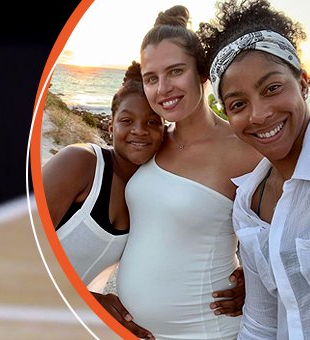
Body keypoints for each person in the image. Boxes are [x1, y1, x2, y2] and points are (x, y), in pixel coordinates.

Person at [114, 5, 263, 339]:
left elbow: (285, 227)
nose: (162, 88)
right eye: (151, 78)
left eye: (175, 72)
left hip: (206, 329)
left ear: (201, 73)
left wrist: (254, 278)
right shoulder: (151, 143)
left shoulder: (244, 148)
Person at [198, 0, 310, 338]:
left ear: (303, 83)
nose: (258, 115)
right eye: (238, 104)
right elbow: (262, 322)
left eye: (272, 88)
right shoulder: (248, 204)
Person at [43, 61, 164, 339]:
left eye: (151, 122)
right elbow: (21, 245)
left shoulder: (153, 191)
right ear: (110, 125)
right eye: (126, 120)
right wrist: (92, 302)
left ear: (164, 130)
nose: (139, 130)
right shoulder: (80, 163)